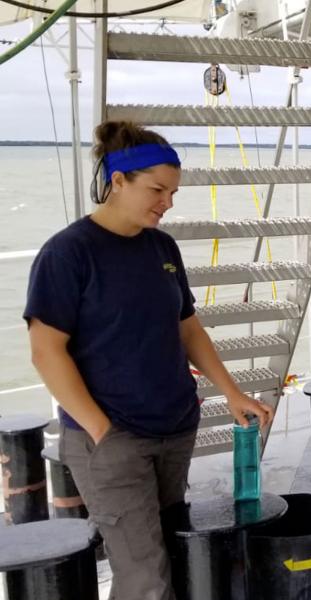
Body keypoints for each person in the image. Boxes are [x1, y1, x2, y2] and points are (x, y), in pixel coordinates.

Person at [25, 121, 273, 600]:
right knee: (146, 581)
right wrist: (102, 432)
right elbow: (45, 352)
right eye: (157, 189)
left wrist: (232, 392)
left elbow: (188, 328)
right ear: (117, 181)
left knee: (165, 564)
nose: (167, 202)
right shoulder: (68, 253)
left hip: (175, 430)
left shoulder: (163, 248)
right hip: (112, 439)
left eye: (173, 192)